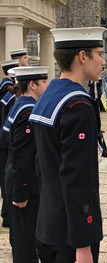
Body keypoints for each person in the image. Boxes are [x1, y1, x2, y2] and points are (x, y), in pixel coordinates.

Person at [28, 27, 104, 263]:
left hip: (48, 224)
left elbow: (41, 164)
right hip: (71, 236)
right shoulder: (77, 105)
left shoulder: (49, 95)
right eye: (99, 54)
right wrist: (83, 245)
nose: (103, 61)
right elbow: (77, 178)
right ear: (83, 56)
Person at [3, 66, 49, 263]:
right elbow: (23, 155)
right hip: (26, 186)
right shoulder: (27, 111)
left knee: (21, 239)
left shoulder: (20, 104)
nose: (46, 85)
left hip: (15, 179)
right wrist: (22, 192)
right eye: (44, 82)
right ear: (32, 84)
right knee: (26, 245)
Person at [0, 59, 19, 228]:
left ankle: (6, 214)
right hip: (6, 142)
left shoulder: (6, 94)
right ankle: (7, 215)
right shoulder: (11, 97)